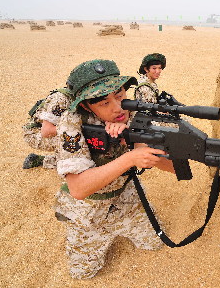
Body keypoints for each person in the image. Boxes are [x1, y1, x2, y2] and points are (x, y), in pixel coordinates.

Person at [53, 59, 175, 279]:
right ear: (85, 106)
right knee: (83, 273)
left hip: (127, 198)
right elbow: (78, 189)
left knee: (155, 243)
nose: (118, 108)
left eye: (119, 95)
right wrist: (129, 158)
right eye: (104, 103)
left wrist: (138, 144)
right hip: (88, 212)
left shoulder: (135, 113)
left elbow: (173, 168)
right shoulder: (71, 124)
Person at [22, 87, 74, 169]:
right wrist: (75, 128)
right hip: (36, 133)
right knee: (75, 141)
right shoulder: (60, 99)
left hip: (59, 127)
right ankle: (43, 161)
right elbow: (47, 131)